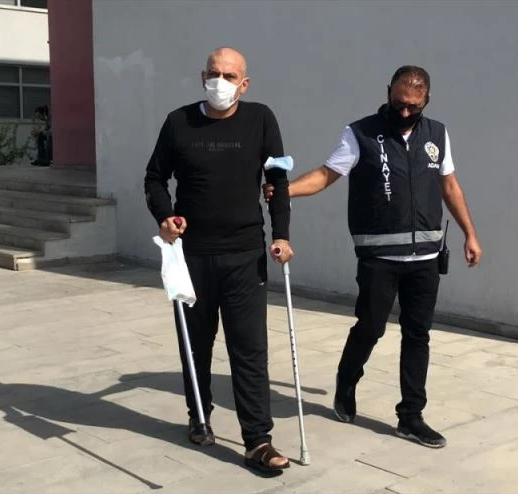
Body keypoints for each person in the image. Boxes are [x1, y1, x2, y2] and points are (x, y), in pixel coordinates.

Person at [265, 66, 482, 449]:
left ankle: (411, 417)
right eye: (398, 103)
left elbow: (449, 185)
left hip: (426, 257)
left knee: (418, 334)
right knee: (371, 327)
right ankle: (347, 380)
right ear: (388, 93)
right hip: (379, 257)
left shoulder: (437, 134)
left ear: (426, 101)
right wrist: (286, 190)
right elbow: (327, 174)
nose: (404, 112)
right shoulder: (361, 133)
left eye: (413, 106)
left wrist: (470, 233)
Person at [144, 47, 294, 474]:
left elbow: (277, 179)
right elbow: (154, 177)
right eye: (214, 73)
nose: (220, 82)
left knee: (249, 348)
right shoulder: (179, 122)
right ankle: (199, 415)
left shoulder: (260, 119)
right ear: (202, 77)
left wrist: (281, 234)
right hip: (191, 255)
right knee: (196, 344)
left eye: (229, 76)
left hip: (245, 254)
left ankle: (257, 440)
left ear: (244, 84)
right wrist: (165, 216)